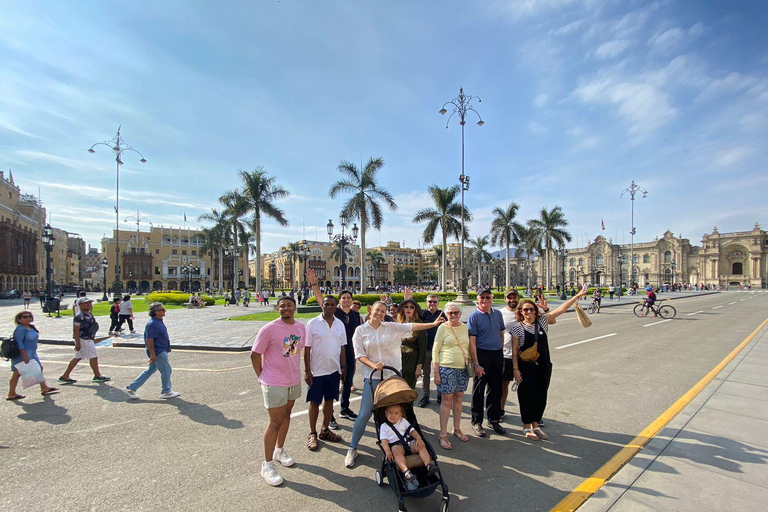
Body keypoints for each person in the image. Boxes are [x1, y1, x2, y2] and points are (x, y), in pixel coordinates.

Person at [344, 301, 445, 468]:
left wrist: (433, 324)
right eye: (377, 310)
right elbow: (359, 355)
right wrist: (373, 365)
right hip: (374, 377)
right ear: (371, 310)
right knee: (364, 414)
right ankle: (352, 448)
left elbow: (413, 327)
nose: (380, 313)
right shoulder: (360, 331)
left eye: (383, 311)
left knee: (398, 414)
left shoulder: (391, 327)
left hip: (393, 378)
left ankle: (404, 444)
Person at [512, 285, 588, 440]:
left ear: (536, 311)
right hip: (526, 367)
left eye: (531, 309)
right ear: (520, 312)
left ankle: (535, 424)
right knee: (527, 395)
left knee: (541, 395)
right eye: (525, 310)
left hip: (544, 366)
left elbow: (561, 309)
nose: (529, 312)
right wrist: (515, 370)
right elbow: (514, 352)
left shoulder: (543, 323)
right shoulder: (517, 328)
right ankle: (526, 426)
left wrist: (577, 296)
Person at [251, 295, 306, 487]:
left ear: (295, 307)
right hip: (274, 382)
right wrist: (261, 376)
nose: (286, 308)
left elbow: (293, 351)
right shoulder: (269, 329)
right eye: (282, 306)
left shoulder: (300, 327)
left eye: (289, 305)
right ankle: (267, 465)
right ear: (278, 309)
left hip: (293, 380)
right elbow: (255, 354)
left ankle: (279, 450)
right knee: (275, 422)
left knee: (287, 416)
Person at [304, 294, 347, 451]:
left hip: (333, 370)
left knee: (329, 401)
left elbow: (342, 346)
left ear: (336, 307)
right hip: (317, 371)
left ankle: (325, 429)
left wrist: (344, 367)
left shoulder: (339, 324)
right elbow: (307, 349)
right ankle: (312, 433)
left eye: (332, 305)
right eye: (326, 304)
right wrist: (308, 371)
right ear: (322, 305)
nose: (329, 307)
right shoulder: (313, 324)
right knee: (314, 402)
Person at [467, 288, 506, 437]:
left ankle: (494, 419)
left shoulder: (498, 314)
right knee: (479, 390)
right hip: (482, 354)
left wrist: (499, 349)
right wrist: (476, 363)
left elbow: (501, 333)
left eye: (488, 297)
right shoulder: (474, 316)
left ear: (492, 298)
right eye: (482, 297)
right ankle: (477, 421)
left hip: (497, 354)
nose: (485, 300)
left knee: (496, 389)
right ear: (478, 299)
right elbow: (472, 342)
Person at [431, 302, 470, 450]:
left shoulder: (464, 327)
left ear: (460, 314)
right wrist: (436, 372)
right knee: (447, 400)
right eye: (450, 313)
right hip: (446, 368)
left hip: (462, 368)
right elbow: (435, 350)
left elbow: (468, 347)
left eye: (456, 313)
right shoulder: (442, 328)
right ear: (446, 315)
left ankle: (457, 428)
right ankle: (443, 434)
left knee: (458, 398)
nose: (453, 315)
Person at [122, 303, 180, 400]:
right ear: (156, 312)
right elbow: (149, 340)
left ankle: (131, 388)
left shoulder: (158, 321)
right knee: (166, 370)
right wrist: (153, 354)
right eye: (162, 309)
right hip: (158, 351)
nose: (164, 311)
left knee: (151, 370)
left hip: (161, 349)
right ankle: (166, 391)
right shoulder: (152, 324)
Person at [380, 403, 437, 484]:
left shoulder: (403, 421)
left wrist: (418, 439)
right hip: (397, 445)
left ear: (400, 414)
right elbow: (384, 440)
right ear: (385, 413)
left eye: (396, 413)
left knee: (420, 446)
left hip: (409, 442)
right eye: (390, 413)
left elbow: (412, 431)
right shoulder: (384, 426)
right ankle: (406, 471)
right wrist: (387, 450)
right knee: (395, 450)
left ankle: (428, 465)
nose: (393, 415)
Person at [7, 311, 58, 400]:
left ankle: (44, 387)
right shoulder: (20, 329)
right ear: (19, 319)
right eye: (24, 317)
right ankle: (11, 393)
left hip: (32, 353)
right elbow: (19, 343)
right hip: (22, 355)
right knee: (17, 374)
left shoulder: (30, 327)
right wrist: (24, 355)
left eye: (29, 317)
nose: (27, 318)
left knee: (39, 368)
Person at [58, 298, 110, 384]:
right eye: (87, 303)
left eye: (90, 303)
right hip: (83, 339)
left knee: (78, 357)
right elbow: (76, 330)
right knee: (93, 356)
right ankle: (97, 375)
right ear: (81, 305)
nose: (89, 304)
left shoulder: (89, 314)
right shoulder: (79, 316)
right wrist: (78, 343)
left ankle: (65, 376)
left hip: (88, 338)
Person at [396, 299, 427, 390]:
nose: (408, 309)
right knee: (397, 390)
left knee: (407, 390)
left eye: (411, 307)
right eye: (406, 307)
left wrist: (419, 366)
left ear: (415, 310)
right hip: (398, 359)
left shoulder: (418, 323)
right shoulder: (398, 323)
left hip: (411, 360)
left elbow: (423, 347)